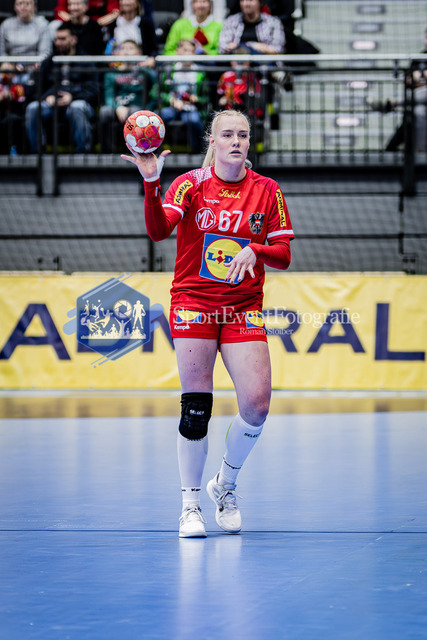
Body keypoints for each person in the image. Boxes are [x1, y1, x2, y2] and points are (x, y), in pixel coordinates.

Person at [121, 109, 294, 537]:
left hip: (242, 307)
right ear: (212, 142)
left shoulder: (267, 190)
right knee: (197, 408)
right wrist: (151, 182)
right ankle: (190, 506)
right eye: (227, 134)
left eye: (243, 135)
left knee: (257, 405)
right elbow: (158, 231)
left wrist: (257, 249)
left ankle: (225, 484)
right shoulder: (189, 184)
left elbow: (283, 254)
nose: (236, 141)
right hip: (194, 303)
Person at [25, 23, 99, 153]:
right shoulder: (49, 62)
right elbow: (35, 88)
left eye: (62, 39)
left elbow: (93, 89)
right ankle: (37, 155)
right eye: (56, 39)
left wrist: (73, 96)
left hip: (77, 102)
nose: (58, 43)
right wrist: (46, 98)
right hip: (51, 104)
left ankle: (83, 155)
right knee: (33, 108)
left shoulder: (85, 61)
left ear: (74, 40)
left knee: (77, 107)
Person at [98, 39, 156, 152]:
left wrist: (151, 67)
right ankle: (107, 152)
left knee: (134, 114)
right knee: (105, 111)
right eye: (123, 48)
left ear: (138, 53)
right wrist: (117, 107)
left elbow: (156, 86)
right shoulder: (111, 74)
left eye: (130, 48)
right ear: (118, 53)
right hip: (117, 107)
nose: (126, 51)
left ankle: (134, 152)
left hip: (138, 108)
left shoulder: (145, 72)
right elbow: (108, 96)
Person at [158, 39, 209, 154]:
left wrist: (197, 99)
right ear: (178, 51)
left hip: (191, 108)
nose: (188, 54)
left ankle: (198, 153)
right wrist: (171, 100)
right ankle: (156, 150)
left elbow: (206, 98)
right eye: (185, 50)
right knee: (157, 118)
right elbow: (157, 92)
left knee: (194, 120)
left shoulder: (200, 72)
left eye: (191, 51)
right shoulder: (169, 70)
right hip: (172, 106)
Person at [219, 0, 285, 55]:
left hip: (265, 64)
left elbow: (278, 49)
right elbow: (222, 47)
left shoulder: (273, 22)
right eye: (242, 0)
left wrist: (251, 46)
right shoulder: (231, 21)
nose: (246, 4)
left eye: (251, 0)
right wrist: (248, 46)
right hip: (236, 64)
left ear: (260, 3)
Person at [104, 0, 157, 67]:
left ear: (137, 3)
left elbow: (153, 49)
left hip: (140, 66)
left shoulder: (146, 23)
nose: (126, 2)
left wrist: (150, 60)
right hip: (118, 66)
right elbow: (109, 50)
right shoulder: (113, 24)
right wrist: (117, 65)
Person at [53, 0, 120, 27]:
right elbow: (60, 11)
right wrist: (74, 22)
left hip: (99, 24)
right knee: (54, 25)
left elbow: (115, 13)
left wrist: (95, 24)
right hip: (73, 23)